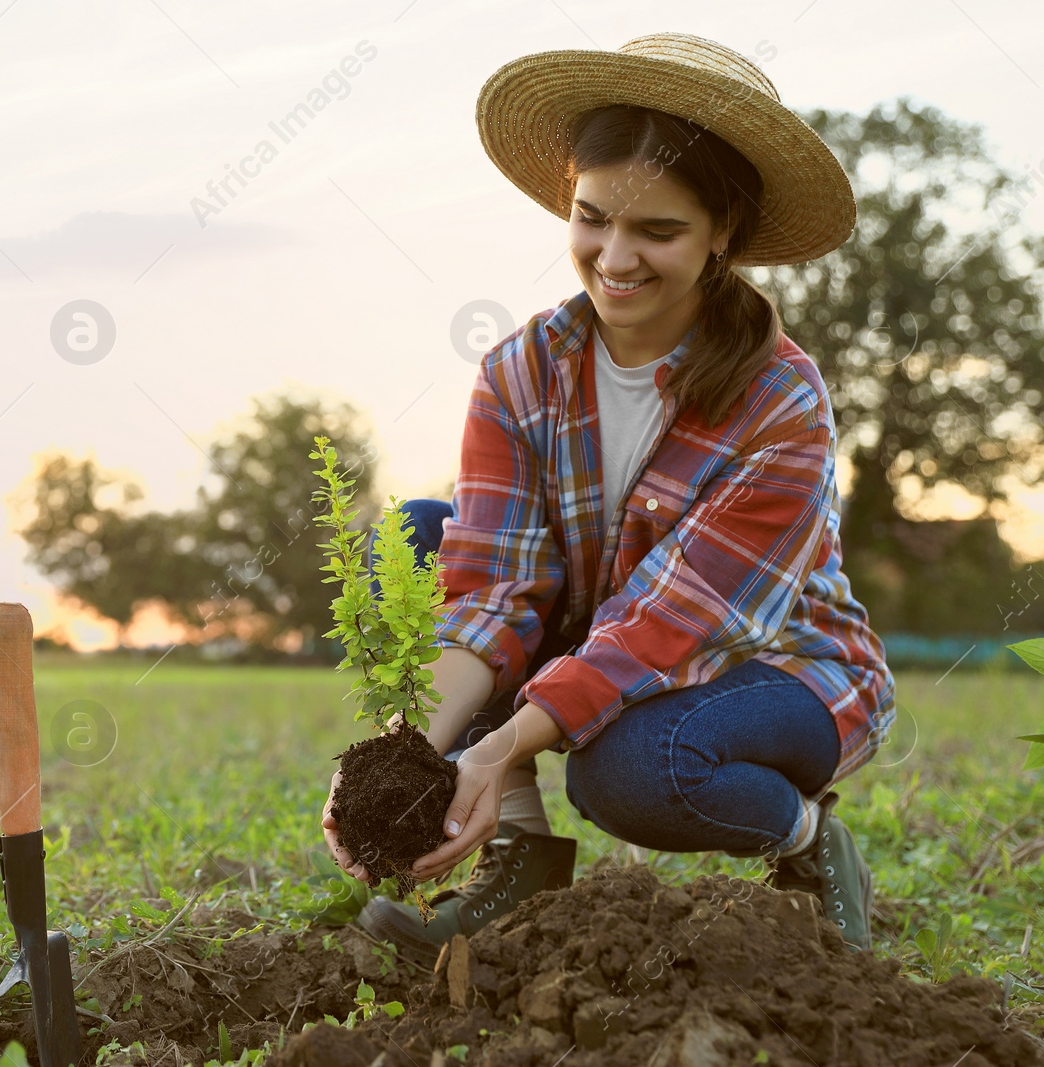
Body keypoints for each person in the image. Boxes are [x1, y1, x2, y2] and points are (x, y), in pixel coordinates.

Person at [320, 32, 896, 968]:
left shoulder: (779, 403)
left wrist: (499, 745)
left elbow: (667, 624)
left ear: (722, 236)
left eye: (658, 232)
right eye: (592, 219)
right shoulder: (521, 372)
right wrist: (409, 759)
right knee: (416, 539)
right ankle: (518, 858)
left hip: (777, 669)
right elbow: (494, 589)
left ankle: (807, 842)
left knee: (627, 771)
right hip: (603, 638)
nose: (614, 258)